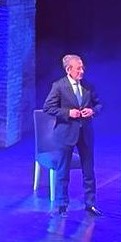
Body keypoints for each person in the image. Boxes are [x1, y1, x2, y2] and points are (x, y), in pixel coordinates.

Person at [43, 53, 103, 216]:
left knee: (88, 171)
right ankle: (62, 205)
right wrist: (68, 113)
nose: (82, 71)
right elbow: (48, 107)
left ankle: (90, 204)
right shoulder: (59, 86)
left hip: (85, 134)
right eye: (78, 68)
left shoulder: (88, 86)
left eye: (82, 67)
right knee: (63, 171)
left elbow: (99, 104)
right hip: (65, 134)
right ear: (68, 70)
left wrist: (92, 111)